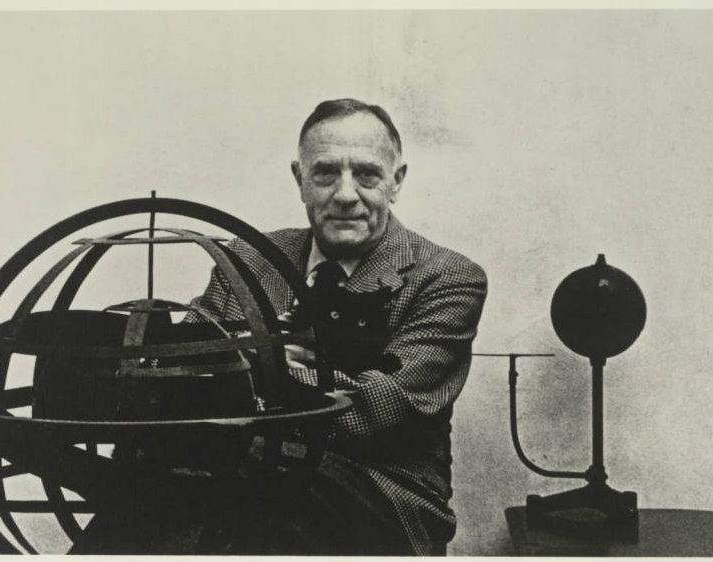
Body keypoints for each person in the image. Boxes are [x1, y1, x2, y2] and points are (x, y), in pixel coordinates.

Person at [188, 98, 488, 555]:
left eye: (366, 174)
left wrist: (250, 362)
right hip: (240, 484)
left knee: (215, 469)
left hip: (379, 500)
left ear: (396, 181)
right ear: (300, 180)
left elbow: (375, 413)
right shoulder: (247, 259)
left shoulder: (447, 277)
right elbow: (181, 368)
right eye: (325, 173)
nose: (345, 195)